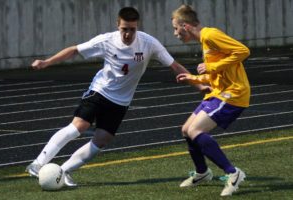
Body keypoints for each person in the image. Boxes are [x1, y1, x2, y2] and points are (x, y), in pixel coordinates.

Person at [26, 7, 207, 187]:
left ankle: (63, 172)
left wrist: (199, 85)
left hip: (121, 101)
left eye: (132, 29)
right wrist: (46, 62)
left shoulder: (149, 43)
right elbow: (75, 50)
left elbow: (175, 66)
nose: (128, 34)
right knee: (79, 126)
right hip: (100, 91)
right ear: (117, 26)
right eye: (124, 29)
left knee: (102, 139)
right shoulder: (107, 40)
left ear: (137, 27)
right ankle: (38, 163)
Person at [171, 5, 250, 196]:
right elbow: (216, 74)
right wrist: (194, 78)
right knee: (186, 130)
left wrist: (211, 66)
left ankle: (233, 173)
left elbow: (243, 50)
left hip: (233, 93)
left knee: (195, 130)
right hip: (219, 92)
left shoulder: (210, 35)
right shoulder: (205, 41)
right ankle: (202, 173)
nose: (175, 33)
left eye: (176, 28)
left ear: (185, 26)